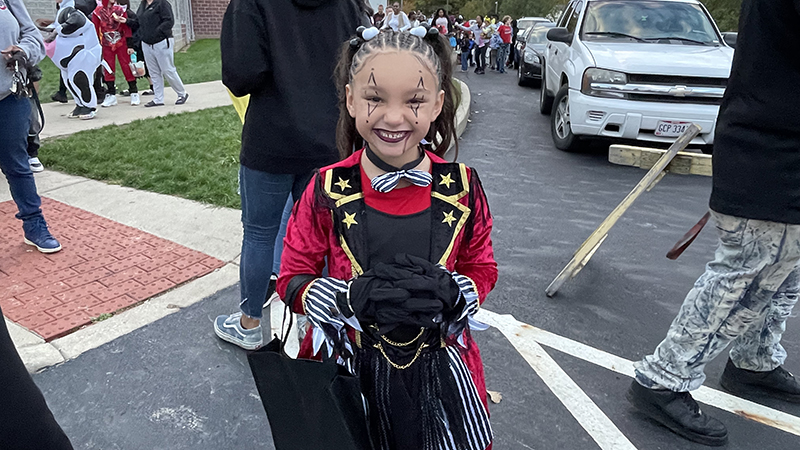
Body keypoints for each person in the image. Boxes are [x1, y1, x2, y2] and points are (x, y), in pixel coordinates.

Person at [277, 27, 497, 450]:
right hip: (350, 370)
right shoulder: (326, 187)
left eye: (414, 101)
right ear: (350, 100)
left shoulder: (463, 187)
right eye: (375, 99)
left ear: (436, 104)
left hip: (442, 373)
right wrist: (345, 299)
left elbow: (482, 266)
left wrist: (455, 292)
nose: (394, 117)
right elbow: (291, 277)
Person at [627, 0, 800, 447]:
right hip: (772, 150)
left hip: (773, 144)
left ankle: (754, 361)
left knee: (786, 274)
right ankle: (663, 377)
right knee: (750, 275)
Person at [213, 0, 370, 350]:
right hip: (331, 138)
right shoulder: (348, 4)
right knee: (325, 238)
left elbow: (240, 75)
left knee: (258, 235)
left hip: (271, 136)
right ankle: (318, 324)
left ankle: (250, 323)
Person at [1, 0, 62, 252]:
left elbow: (32, 35)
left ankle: (34, 224)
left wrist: (23, 51)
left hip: (8, 96)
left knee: (17, 163)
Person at [52, 0, 104, 119]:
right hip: (71, 53)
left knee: (80, 79)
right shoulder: (64, 8)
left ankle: (89, 107)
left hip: (82, 51)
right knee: (69, 81)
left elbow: (77, 22)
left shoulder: (73, 8)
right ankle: (80, 104)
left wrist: (58, 30)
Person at [136, 0, 188, 107]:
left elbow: (169, 21)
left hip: (162, 41)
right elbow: (138, 22)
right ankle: (158, 98)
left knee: (167, 69)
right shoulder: (143, 6)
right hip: (146, 43)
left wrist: (157, 31)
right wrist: (126, 21)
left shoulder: (162, 3)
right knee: (153, 72)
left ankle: (182, 93)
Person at [92, 0, 138, 107]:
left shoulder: (120, 10)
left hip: (121, 43)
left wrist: (130, 45)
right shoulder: (97, 12)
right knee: (108, 68)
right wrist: (96, 46)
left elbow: (126, 28)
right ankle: (111, 94)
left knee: (127, 66)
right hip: (106, 44)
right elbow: (94, 29)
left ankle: (134, 92)